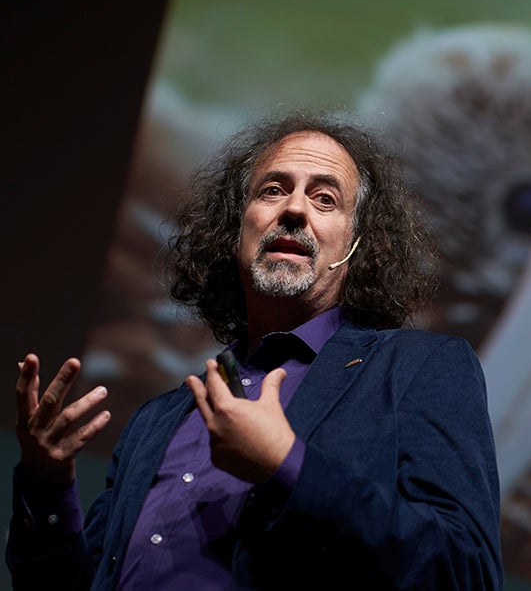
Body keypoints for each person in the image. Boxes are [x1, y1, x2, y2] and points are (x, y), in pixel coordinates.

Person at [7, 111, 504, 590]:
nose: (294, 208)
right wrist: (46, 484)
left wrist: (287, 464)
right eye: (273, 189)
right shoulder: (156, 420)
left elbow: (465, 569)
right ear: (235, 232)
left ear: (357, 247)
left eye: (326, 199)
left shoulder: (418, 369)